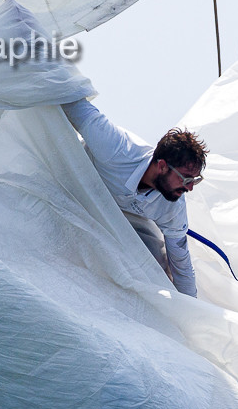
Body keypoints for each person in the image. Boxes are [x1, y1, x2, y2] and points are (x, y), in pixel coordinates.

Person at [61, 98, 208, 297]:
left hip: (129, 220)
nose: (190, 187)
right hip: (75, 189)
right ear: (162, 165)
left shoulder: (173, 206)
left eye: (195, 180)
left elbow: (181, 265)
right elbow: (74, 104)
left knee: (155, 267)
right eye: (186, 178)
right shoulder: (117, 148)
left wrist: (194, 313)